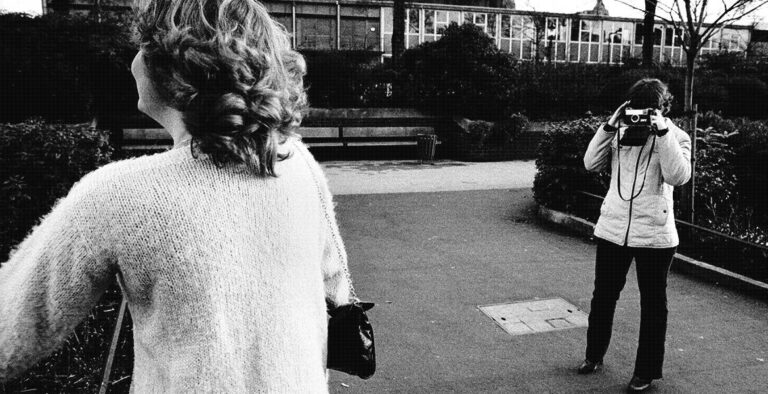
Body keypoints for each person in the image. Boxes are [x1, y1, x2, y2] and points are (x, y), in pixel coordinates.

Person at [0, 0, 356, 392]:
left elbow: (14, 324)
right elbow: (334, 286)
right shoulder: (296, 162)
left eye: (142, 48)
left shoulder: (121, 195)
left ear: (171, 68)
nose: (133, 62)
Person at [578, 78, 691, 392]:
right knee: (603, 298)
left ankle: (646, 371)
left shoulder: (678, 137)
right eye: (635, 109)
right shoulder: (620, 134)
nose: (639, 116)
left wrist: (663, 132)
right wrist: (611, 125)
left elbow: (678, 176)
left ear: (661, 109)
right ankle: (593, 356)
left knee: (653, 305)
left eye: (646, 110)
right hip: (613, 229)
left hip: (655, 235)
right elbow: (590, 163)